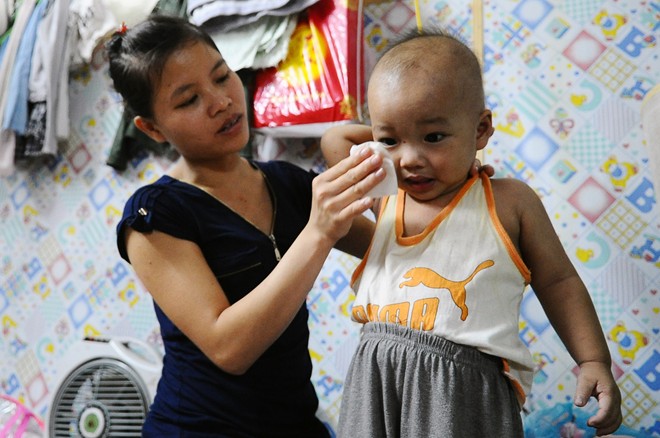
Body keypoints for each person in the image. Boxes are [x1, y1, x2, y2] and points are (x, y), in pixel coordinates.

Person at [321, 29, 622, 438]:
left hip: (465, 390)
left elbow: (559, 281)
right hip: (378, 383)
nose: (409, 158)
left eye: (433, 137)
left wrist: (593, 360)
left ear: (480, 130)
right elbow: (334, 139)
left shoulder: (510, 202)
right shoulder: (386, 197)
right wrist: (383, 144)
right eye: (390, 139)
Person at [107, 15, 388, 437]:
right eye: (188, 101)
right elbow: (228, 347)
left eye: (222, 76)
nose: (220, 101)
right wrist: (318, 233)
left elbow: (396, 249)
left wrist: (434, 165)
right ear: (152, 128)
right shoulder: (154, 216)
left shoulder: (288, 183)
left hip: (294, 423)